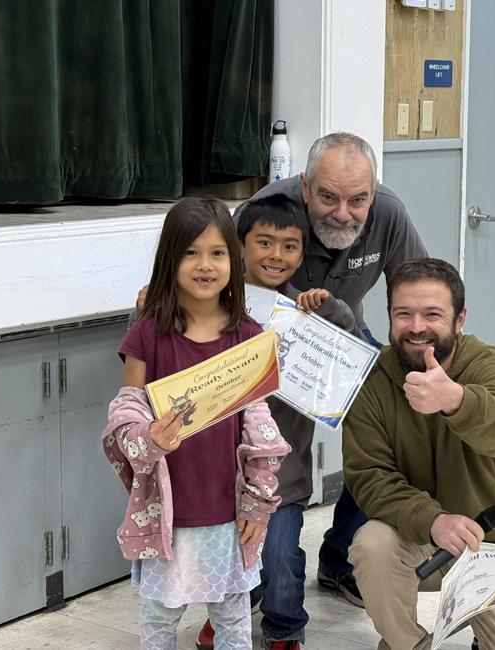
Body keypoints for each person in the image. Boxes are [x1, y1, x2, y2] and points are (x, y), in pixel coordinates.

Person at [237, 132, 428, 607]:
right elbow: (218, 281)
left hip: (346, 335)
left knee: (399, 430)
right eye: (328, 197)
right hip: (276, 343)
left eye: (357, 199)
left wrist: (425, 370)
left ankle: (341, 559)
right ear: (304, 187)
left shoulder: (389, 212)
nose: (342, 213)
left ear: (373, 191)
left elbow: (421, 295)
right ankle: (258, 571)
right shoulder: (265, 211)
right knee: (277, 458)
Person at [342, 258, 495, 650]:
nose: (416, 326)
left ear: (460, 319)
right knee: (371, 543)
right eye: (403, 313)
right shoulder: (372, 382)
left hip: (493, 546)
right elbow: (369, 476)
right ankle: (407, 644)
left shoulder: (490, 367)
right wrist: (433, 520)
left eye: (432, 314)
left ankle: (485, 628)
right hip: (416, 540)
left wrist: (456, 401)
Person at [102, 197, 291, 650]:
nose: (205, 265)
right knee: (160, 617)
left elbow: (259, 428)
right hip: (171, 513)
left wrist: (258, 502)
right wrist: (147, 437)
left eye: (217, 252)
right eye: (191, 252)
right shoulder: (147, 332)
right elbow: (126, 408)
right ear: (170, 258)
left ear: (234, 258)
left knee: (232, 617)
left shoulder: (248, 337)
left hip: (227, 512)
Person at [194, 193, 359, 650]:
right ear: (238, 246)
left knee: (281, 554)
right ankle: (231, 610)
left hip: (281, 474)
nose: (276, 255)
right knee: (228, 556)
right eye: (263, 243)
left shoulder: (303, 312)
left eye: (290, 246)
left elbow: (344, 342)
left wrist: (330, 308)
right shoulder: (213, 307)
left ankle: (284, 628)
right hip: (220, 470)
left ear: (303, 253)